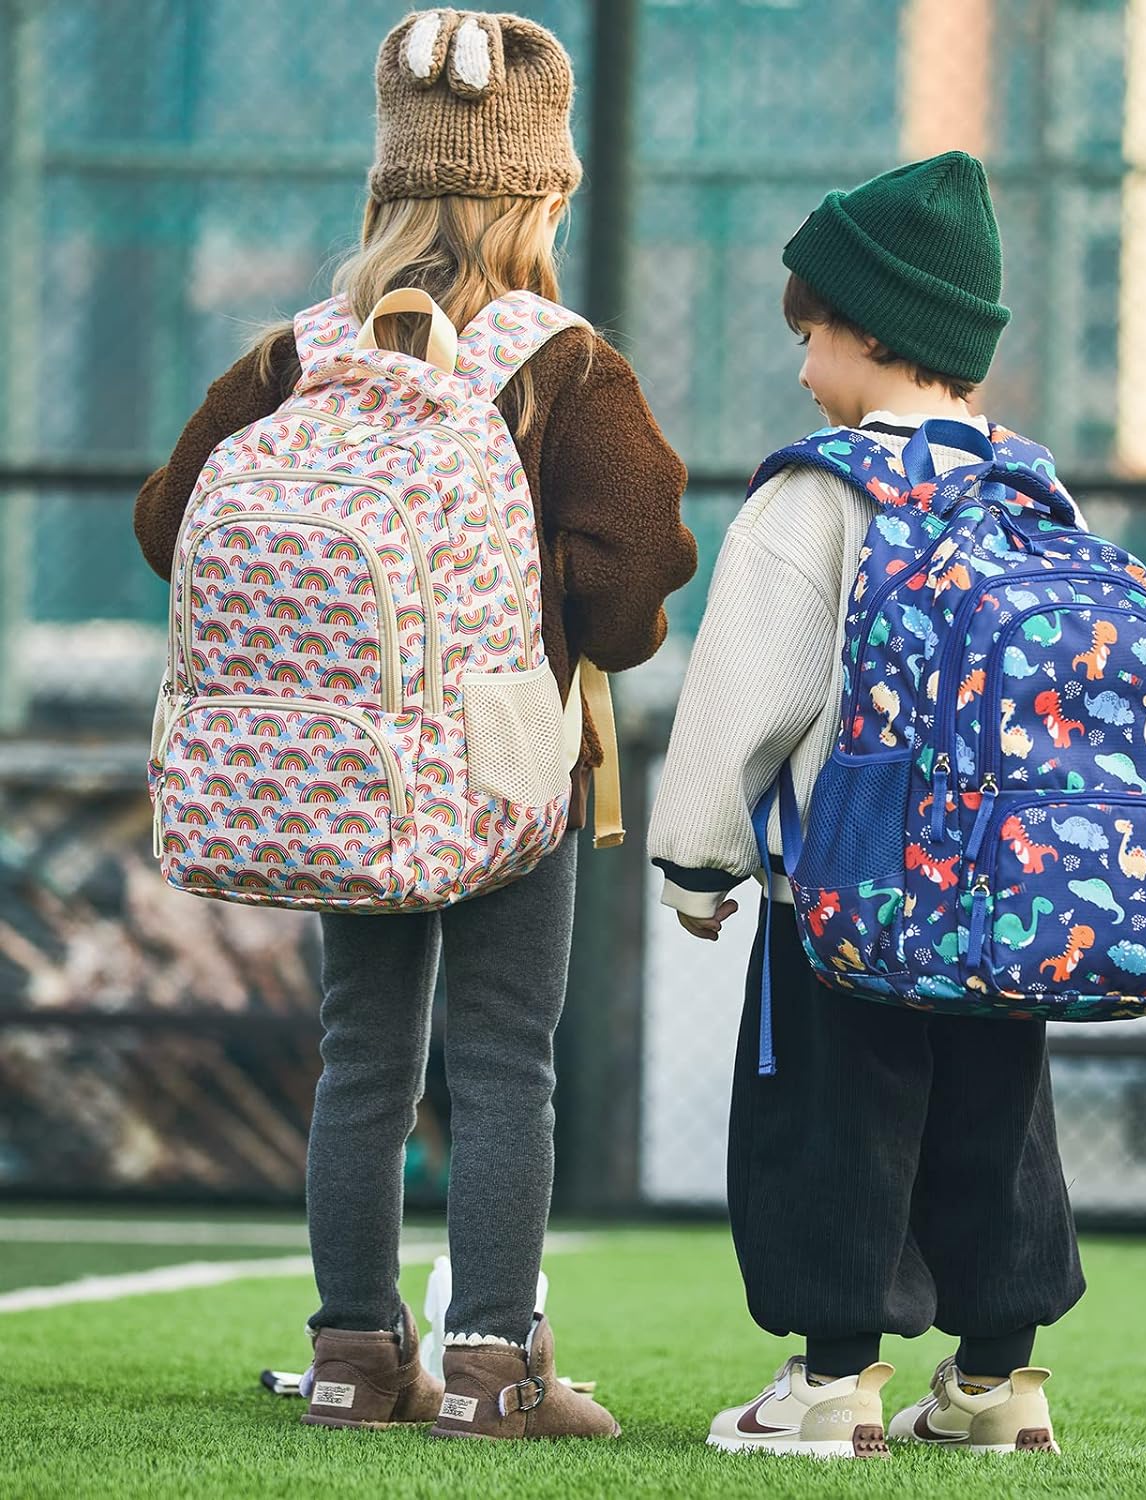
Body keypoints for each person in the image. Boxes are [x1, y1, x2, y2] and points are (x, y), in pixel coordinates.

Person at [135, 9, 695, 1441]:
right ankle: (499, 1366)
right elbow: (631, 595)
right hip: (508, 753)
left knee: (363, 1053)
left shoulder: (302, 350)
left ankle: (352, 1357)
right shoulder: (562, 362)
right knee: (505, 1056)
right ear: (540, 190)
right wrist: (537, 609)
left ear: (388, 182)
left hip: (339, 761)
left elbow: (164, 524)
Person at [649, 151, 1085, 1459]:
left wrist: (699, 859)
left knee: (830, 1122)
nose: (800, 364)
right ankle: (999, 1385)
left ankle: (833, 1385)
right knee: (994, 1124)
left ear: (878, 328)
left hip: (844, 884)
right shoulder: (1028, 482)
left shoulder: (817, 487)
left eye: (813, 331)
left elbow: (746, 688)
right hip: (1001, 888)